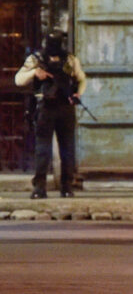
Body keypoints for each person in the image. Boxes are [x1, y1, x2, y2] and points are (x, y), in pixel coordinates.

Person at [14, 30, 86, 199]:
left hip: (65, 108)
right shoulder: (36, 60)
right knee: (43, 150)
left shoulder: (70, 60)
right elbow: (18, 80)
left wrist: (78, 94)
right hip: (45, 108)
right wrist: (34, 73)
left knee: (66, 149)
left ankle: (66, 187)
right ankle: (40, 187)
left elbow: (81, 78)